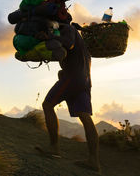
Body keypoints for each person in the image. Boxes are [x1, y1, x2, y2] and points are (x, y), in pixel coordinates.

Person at [38, 15, 100, 172]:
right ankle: (93, 161)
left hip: (72, 78)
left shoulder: (68, 29)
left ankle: (54, 148)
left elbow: (68, 44)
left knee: (47, 105)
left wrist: (49, 36)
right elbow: (67, 51)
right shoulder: (79, 38)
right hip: (85, 81)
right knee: (85, 117)